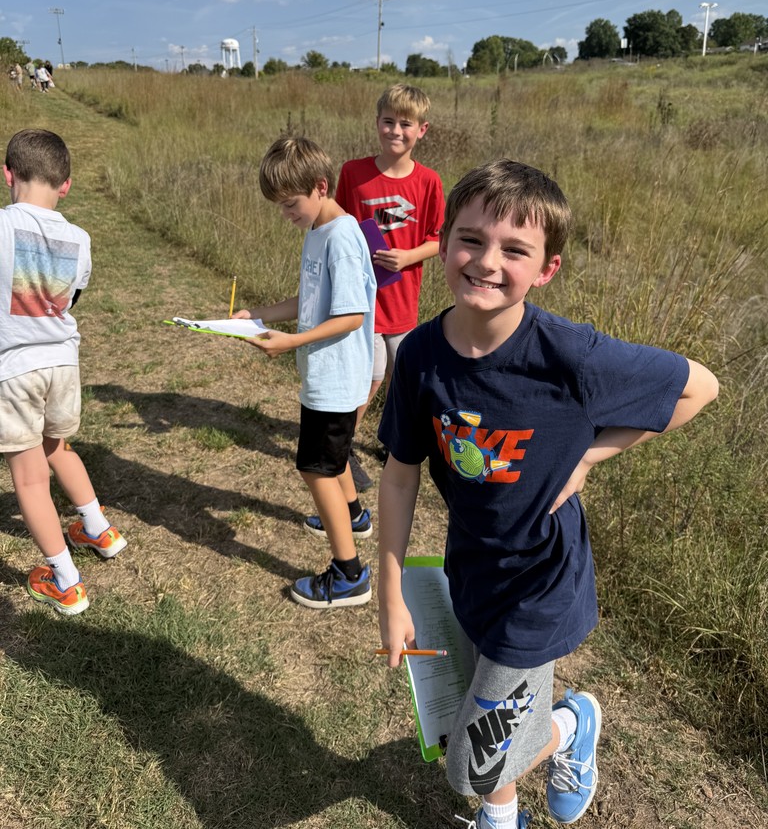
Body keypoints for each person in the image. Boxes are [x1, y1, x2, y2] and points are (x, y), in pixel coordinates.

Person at [377, 160, 719, 828]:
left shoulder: (570, 356)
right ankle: (501, 819)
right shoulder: (419, 355)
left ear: (547, 270)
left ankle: (569, 725)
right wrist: (388, 590)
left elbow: (698, 387)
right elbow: (398, 472)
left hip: (541, 586)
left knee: (470, 761)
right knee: (489, 721)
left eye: (515, 250)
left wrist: (592, 454)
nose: (486, 261)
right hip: (471, 571)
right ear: (443, 243)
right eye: (471, 239)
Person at [234, 136, 376, 609]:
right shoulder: (318, 230)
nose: (286, 214)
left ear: (320, 186)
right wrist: (258, 315)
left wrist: (291, 341)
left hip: (335, 380)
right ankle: (353, 515)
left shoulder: (341, 238)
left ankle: (349, 574)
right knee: (330, 462)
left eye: (290, 204)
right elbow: (311, 302)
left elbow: (352, 315)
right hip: (325, 375)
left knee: (315, 468)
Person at [0, 128, 128, 616]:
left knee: (30, 480)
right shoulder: (80, 238)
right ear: (66, 185)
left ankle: (65, 579)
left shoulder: (4, 225)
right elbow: (72, 298)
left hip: (15, 369)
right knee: (58, 447)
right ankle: (98, 529)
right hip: (62, 363)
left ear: (8, 174)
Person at [336, 84, 445, 486]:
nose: (395, 131)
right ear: (376, 123)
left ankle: (394, 440)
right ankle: (341, 446)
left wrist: (407, 257)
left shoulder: (429, 182)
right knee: (372, 373)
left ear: (422, 130)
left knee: (404, 374)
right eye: (388, 122)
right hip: (361, 299)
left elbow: (439, 240)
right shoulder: (353, 173)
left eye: (405, 124)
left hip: (402, 300)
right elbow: (340, 226)